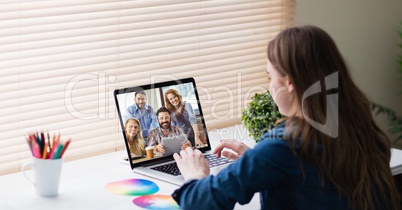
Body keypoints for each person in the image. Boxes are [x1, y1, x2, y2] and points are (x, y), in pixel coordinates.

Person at [171, 25, 400, 210]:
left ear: (289, 83)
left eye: (270, 77)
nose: (269, 86)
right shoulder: (360, 127)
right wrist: (258, 160)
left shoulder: (284, 145)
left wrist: (195, 174)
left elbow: (198, 203)